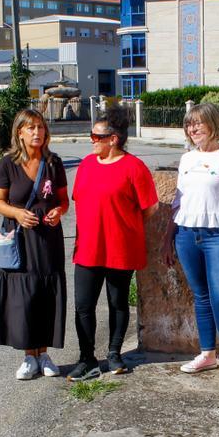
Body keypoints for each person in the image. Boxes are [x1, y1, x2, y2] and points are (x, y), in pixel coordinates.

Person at [67, 106, 159, 381]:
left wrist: (124, 226)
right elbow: (80, 199)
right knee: (84, 305)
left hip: (121, 248)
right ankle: (87, 359)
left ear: (113, 139)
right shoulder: (86, 165)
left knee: (118, 302)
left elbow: (150, 208)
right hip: (88, 247)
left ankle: (114, 354)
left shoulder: (134, 167)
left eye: (96, 136)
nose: (92, 141)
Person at [162, 103, 219, 377]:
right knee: (201, 296)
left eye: (198, 123)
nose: (193, 129)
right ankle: (207, 353)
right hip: (187, 235)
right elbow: (178, 202)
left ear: (214, 124)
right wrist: (168, 238)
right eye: (189, 124)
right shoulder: (187, 159)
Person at [0, 109, 70, 380]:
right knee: (24, 297)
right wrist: (16, 213)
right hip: (20, 240)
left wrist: (58, 212)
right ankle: (29, 356)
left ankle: (44, 354)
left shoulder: (53, 163)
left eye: (41, 127)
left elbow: (64, 201)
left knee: (46, 294)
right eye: (31, 128)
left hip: (48, 239)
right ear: (20, 133)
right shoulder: (8, 164)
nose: (37, 132)